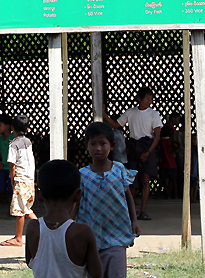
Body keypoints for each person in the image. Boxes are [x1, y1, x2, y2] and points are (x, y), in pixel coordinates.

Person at [74, 122, 140, 278]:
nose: (98, 148)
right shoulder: (83, 175)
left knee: (117, 272)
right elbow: (76, 203)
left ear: (112, 145)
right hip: (91, 237)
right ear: (86, 146)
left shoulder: (119, 170)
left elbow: (128, 197)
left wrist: (134, 221)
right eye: (93, 144)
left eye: (103, 144)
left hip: (117, 235)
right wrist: (69, 226)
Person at [26, 159, 103, 278]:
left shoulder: (33, 228)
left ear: (39, 196)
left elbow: (30, 262)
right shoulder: (83, 232)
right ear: (78, 195)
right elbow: (97, 273)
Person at [103, 87, 162, 220]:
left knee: (146, 179)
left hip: (147, 145)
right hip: (134, 145)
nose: (149, 101)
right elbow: (116, 124)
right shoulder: (131, 112)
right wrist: (104, 115)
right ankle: (131, 210)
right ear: (139, 98)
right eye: (147, 98)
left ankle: (143, 210)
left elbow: (157, 135)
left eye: (151, 99)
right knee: (131, 180)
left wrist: (148, 152)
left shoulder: (154, 114)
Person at [2, 115, 38, 247]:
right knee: (25, 208)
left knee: (22, 210)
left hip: (20, 179)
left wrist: (12, 180)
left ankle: (20, 238)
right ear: (27, 129)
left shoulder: (13, 145)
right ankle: (18, 236)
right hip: (29, 179)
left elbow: (12, 165)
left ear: (12, 128)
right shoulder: (28, 142)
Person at [159, 113, 180, 199]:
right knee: (173, 179)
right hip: (171, 162)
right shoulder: (170, 141)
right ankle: (175, 195)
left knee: (166, 179)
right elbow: (176, 145)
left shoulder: (161, 142)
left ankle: (167, 194)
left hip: (164, 162)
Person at [0, 114, 14, 203]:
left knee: (12, 188)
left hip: (11, 167)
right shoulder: (0, 139)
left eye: (0, 125)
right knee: (1, 186)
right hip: (3, 167)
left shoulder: (13, 138)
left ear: (7, 126)